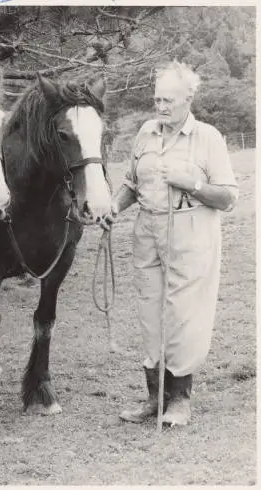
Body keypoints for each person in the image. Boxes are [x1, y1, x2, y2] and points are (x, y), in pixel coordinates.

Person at [101, 60, 239, 426]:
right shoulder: (146, 132)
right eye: (157, 99)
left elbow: (227, 197)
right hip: (148, 232)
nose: (160, 107)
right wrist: (115, 205)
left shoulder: (207, 137)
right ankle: (154, 398)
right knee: (150, 315)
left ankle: (179, 400)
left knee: (183, 317)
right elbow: (132, 183)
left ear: (189, 99)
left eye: (169, 100)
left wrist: (190, 183)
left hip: (191, 233)